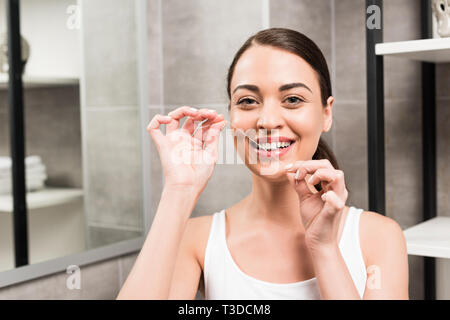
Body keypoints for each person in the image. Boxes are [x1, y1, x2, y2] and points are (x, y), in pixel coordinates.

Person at [116, 28, 409, 300]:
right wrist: (179, 190)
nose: (267, 121)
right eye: (247, 101)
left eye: (293, 99)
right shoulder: (196, 239)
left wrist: (325, 248)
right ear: (230, 115)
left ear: (326, 113)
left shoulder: (379, 237)